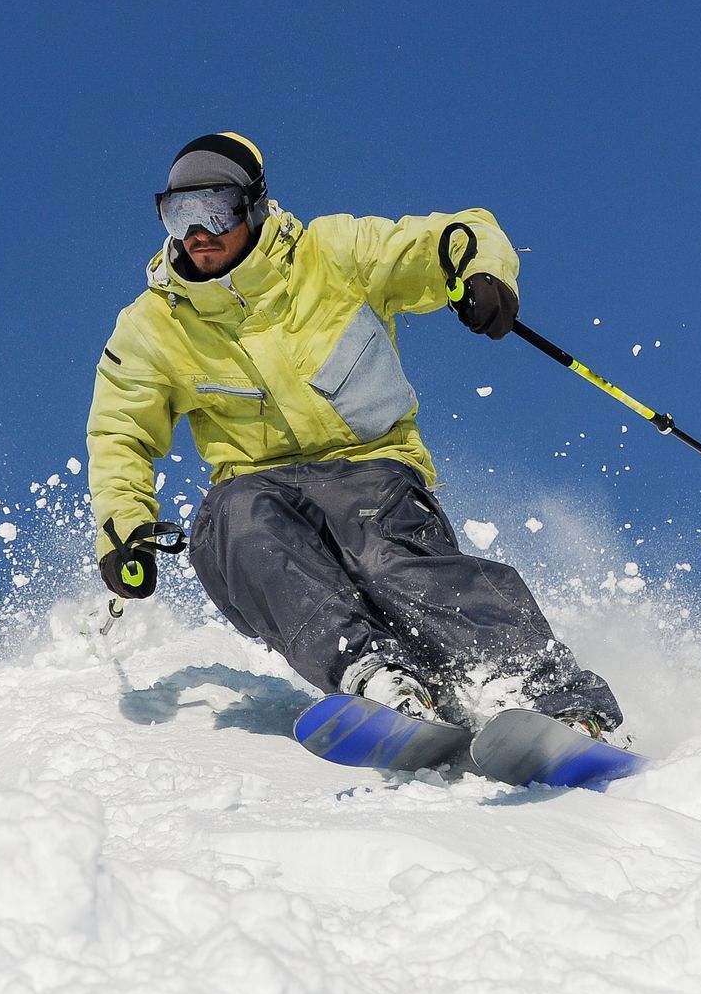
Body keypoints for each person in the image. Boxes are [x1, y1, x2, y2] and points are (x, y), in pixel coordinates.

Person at [86, 132, 621, 736]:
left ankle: (544, 694)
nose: (197, 232)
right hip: (256, 489)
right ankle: (375, 676)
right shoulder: (155, 323)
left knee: (387, 559)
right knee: (238, 522)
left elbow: (455, 234)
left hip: (372, 470)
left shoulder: (331, 253)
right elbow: (119, 430)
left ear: (254, 205)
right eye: (179, 214)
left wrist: (479, 272)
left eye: (215, 209)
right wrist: (124, 529)